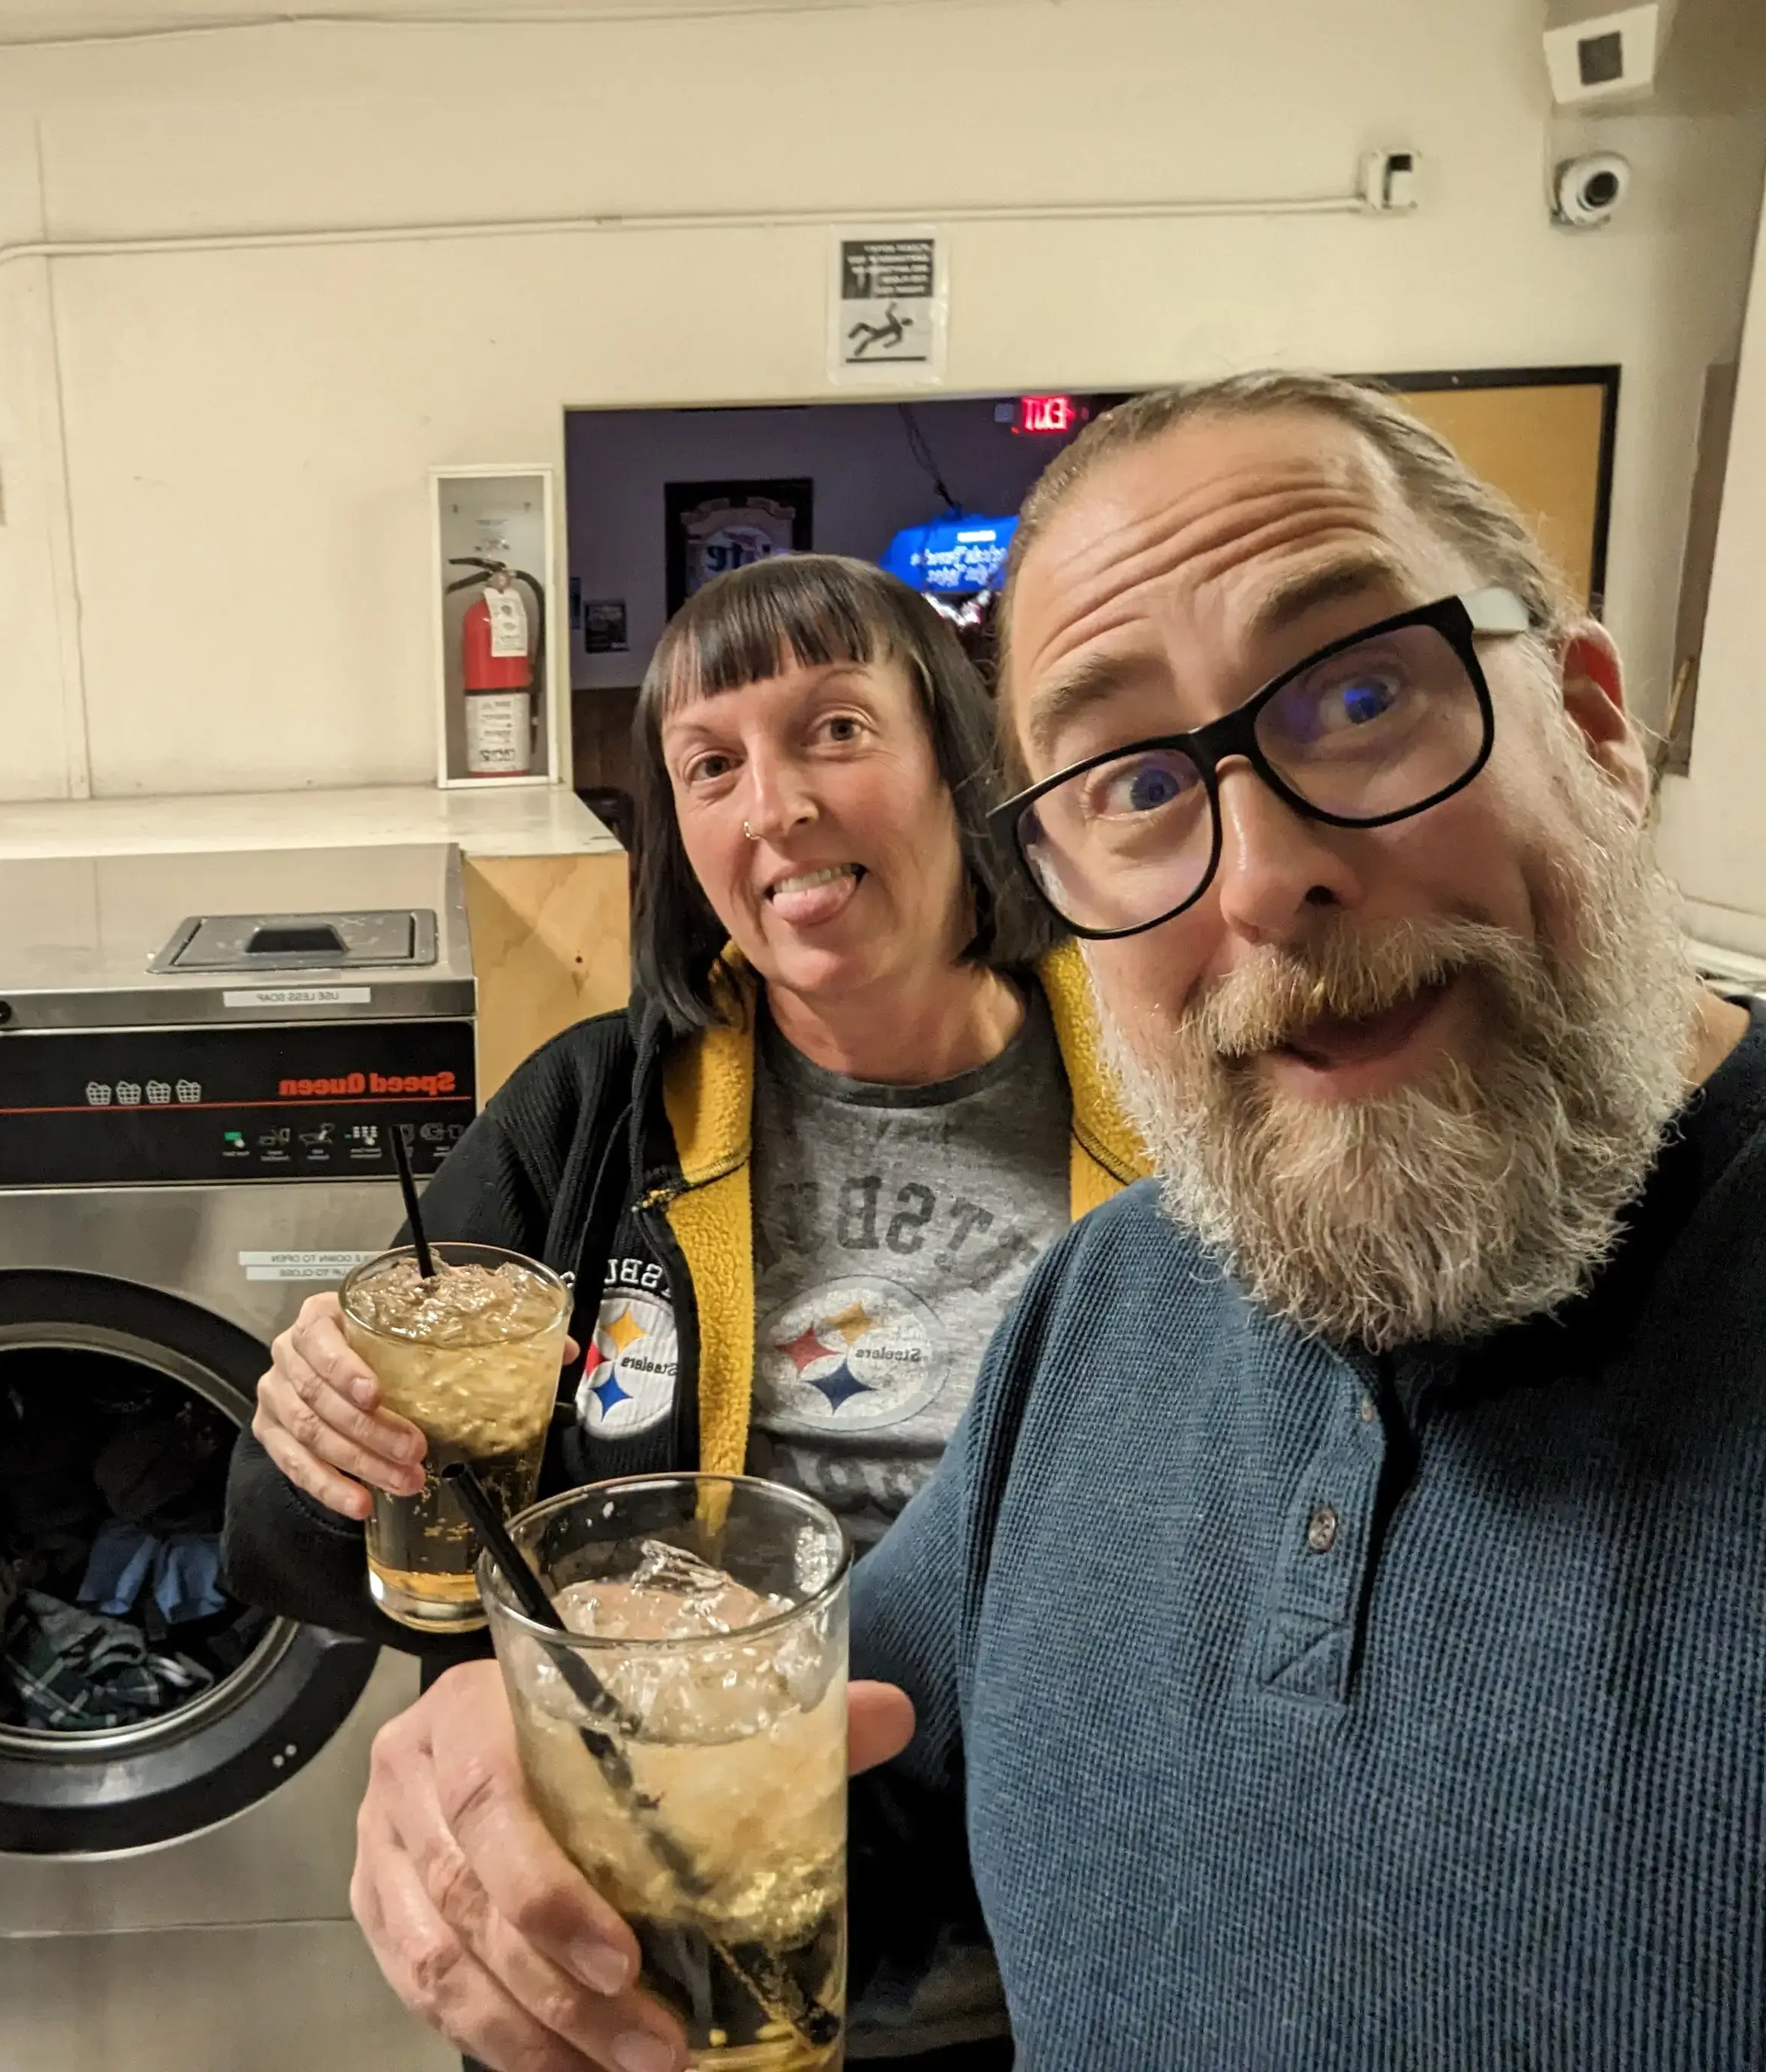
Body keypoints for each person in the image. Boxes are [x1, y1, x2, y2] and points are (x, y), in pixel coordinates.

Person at [329, 369, 1766, 2072]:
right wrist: (542, 1765)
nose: (1257, 878)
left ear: (1597, 725)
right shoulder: (1111, 1307)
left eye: (1361, 692)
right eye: (1137, 786)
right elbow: (863, 1810)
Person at [224, 552, 1156, 2068]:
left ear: (955, 753)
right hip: (666, 1992)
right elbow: (310, 1544)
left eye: (835, 730)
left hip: (1081, 1991)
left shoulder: (1170, 1095)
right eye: (709, 764)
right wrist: (324, 1422)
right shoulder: (593, 1116)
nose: (773, 805)